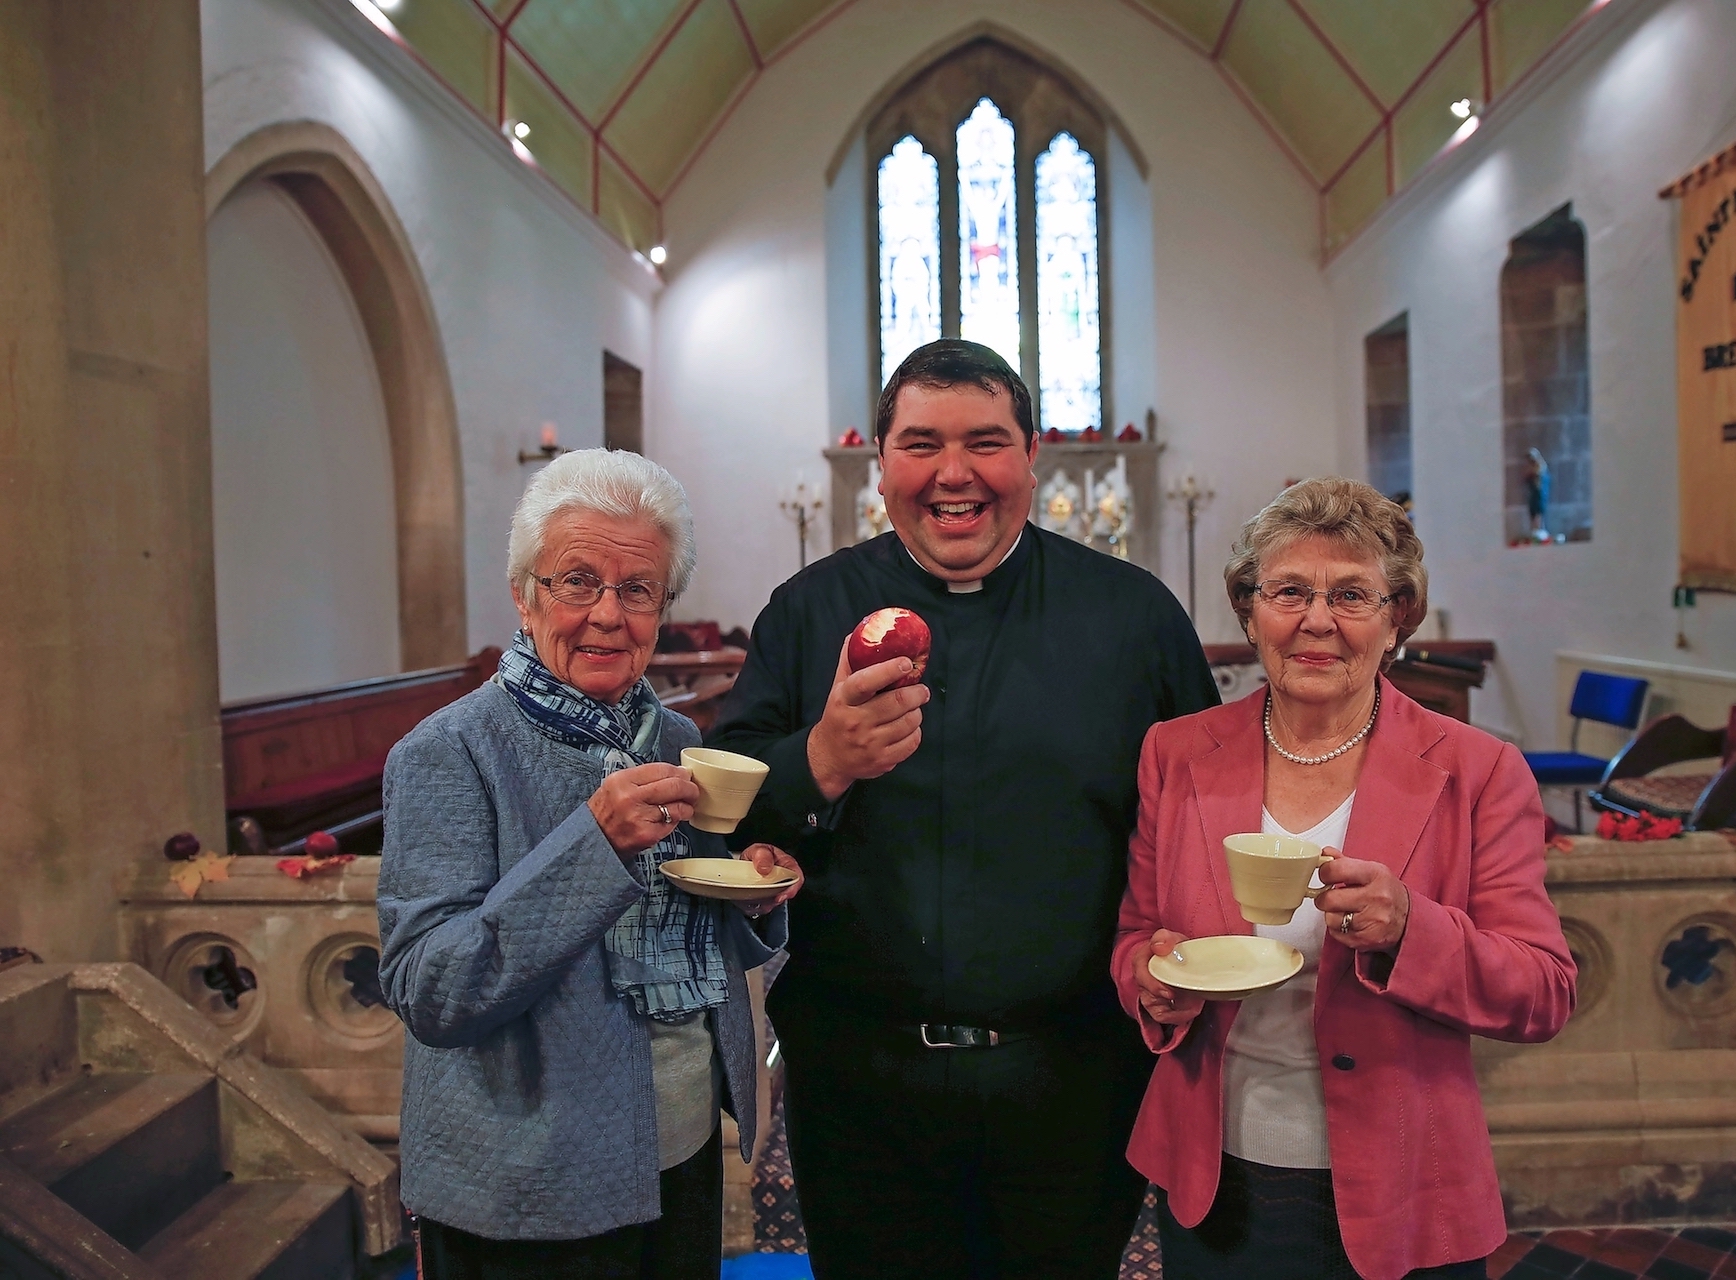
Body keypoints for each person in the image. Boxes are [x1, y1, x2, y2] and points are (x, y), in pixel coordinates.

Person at [708, 339, 1220, 1279]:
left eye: (985, 442)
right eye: (921, 444)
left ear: (1033, 454)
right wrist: (818, 763)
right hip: (861, 1083)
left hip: (1072, 1079)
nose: (954, 475)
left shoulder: (1133, 616)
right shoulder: (807, 610)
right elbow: (725, 809)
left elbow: (1204, 813)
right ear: (881, 465)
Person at [1114, 477, 1575, 1280]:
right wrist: (1153, 985)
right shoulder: (1178, 753)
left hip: (1406, 1179)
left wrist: (1410, 928)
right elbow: (1135, 938)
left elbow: (1543, 991)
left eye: (1352, 594)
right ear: (1250, 610)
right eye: (1288, 590)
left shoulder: (1477, 770)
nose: (1317, 620)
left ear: (1397, 616)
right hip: (1217, 1175)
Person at [378, 449, 802, 1279]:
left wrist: (753, 899)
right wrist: (593, 845)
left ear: (663, 609)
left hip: (679, 1152)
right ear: (525, 595)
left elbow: (696, 922)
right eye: (578, 581)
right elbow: (431, 990)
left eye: (637, 589)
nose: (608, 614)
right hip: (525, 1181)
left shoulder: (679, 742)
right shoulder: (448, 752)